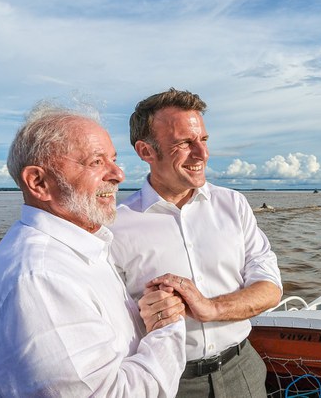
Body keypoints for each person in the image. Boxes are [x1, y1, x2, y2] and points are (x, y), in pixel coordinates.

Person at [0, 100, 188, 397]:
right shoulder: (40, 279)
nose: (118, 174)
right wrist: (167, 328)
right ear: (38, 182)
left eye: (113, 159)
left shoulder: (78, 251)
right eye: (96, 162)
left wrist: (145, 314)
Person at [109, 88, 283, 397]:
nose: (201, 154)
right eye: (184, 143)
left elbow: (270, 287)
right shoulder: (114, 226)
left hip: (242, 369)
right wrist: (143, 313)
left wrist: (211, 308)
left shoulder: (234, 204)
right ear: (146, 152)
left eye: (202, 140)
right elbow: (105, 319)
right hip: (169, 382)